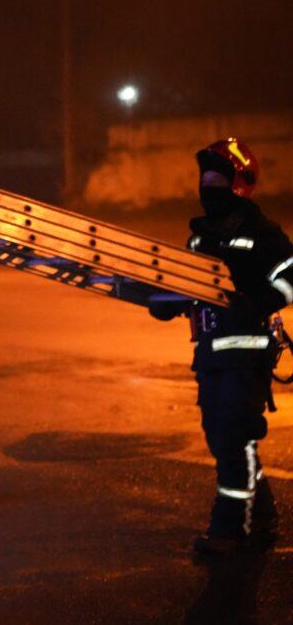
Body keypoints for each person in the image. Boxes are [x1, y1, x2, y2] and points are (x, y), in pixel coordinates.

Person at [150, 137, 293, 555]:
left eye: (217, 178)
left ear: (238, 184)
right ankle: (262, 516)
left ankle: (229, 530)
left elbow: (291, 279)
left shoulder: (262, 233)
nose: (208, 185)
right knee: (222, 437)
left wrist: (259, 302)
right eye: (205, 178)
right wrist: (166, 302)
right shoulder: (200, 239)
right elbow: (188, 292)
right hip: (210, 352)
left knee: (233, 436)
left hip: (247, 354)